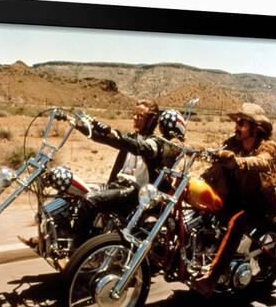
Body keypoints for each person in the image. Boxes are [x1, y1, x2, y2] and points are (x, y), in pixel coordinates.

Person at [19, 100, 184, 250]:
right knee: (70, 189)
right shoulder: (133, 137)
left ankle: (80, 249)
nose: (134, 118)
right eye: (134, 114)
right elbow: (103, 138)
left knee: (90, 200)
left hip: (133, 193)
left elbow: (139, 147)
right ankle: (53, 237)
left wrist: (114, 133)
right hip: (118, 185)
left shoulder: (155, 143)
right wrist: (77, 124)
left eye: (140, 116)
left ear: (151, 119)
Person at [195, 102, 276, 295]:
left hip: (258, 204)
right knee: (200, 205)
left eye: (242, 123)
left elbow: (263, 161)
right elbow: (218, 154)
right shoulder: (233, 142)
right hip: (233, 198)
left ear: (255, 128)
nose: (236, 126)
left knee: (236, 223)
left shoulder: (268, 147)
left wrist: (237, 162)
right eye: (237, 122)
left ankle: (212, 278)